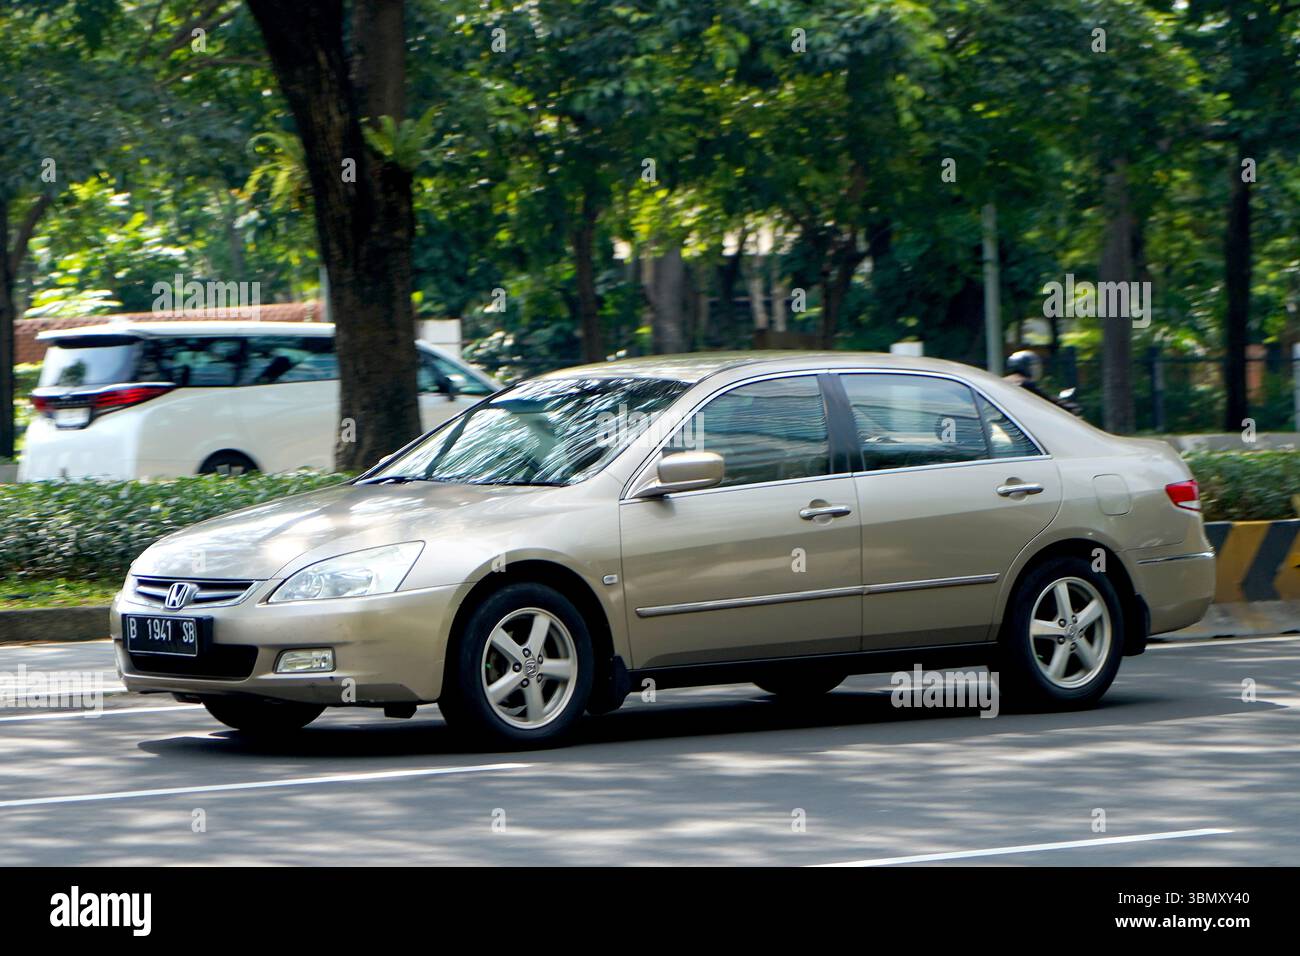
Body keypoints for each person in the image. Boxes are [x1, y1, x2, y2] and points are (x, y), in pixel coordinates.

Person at [1004, 349, 1082, 415]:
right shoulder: (1025, 384)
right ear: (1027, 366)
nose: (1037, 369)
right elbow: (1046, 400)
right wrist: (1069, 407)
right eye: (1034, 366)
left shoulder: (1003, 382)